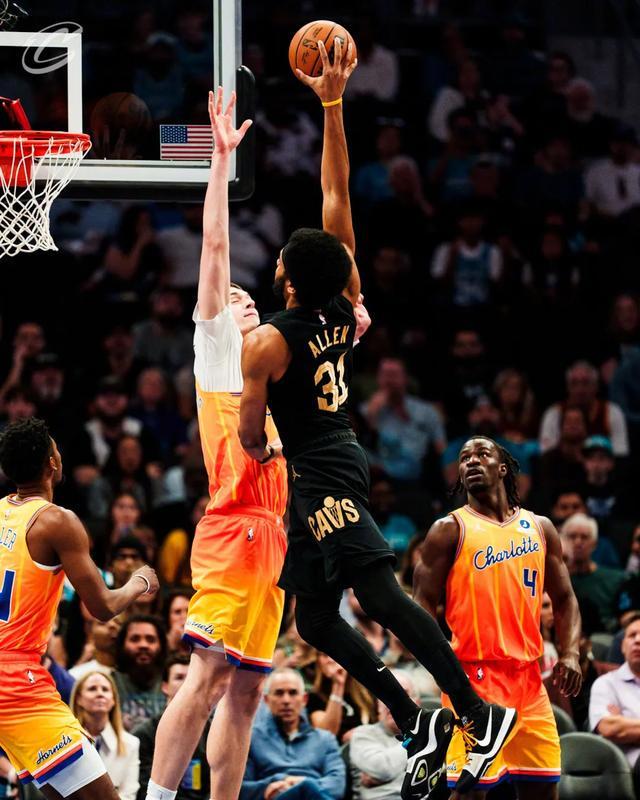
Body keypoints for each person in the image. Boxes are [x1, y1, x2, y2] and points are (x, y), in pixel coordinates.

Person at [239, 39, 515, 799]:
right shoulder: (343, 305)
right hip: (330, 457)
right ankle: (414, 718)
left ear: (286, 277)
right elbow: (338, 198)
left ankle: (474, 711)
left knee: (378, 596)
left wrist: (258, 445)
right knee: (315, 621)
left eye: (281, 260)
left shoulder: (267, 342)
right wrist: (332, 105)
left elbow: (251, 437)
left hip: (321, 465)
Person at [144, 88, 288, 800]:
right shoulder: (216, 347)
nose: (245, 298)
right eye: (235, 297)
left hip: (273, 538)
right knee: (204, 676)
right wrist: (220, 162)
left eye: (249, 296)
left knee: (246, 690)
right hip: (233, 530)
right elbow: (215, 248)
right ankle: (157, 795)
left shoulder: (266, 373)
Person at [414, 435, 582, 797]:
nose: (472, 461)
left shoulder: (540, 527)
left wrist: (570, 652)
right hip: (474, 680)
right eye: (464, 458)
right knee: (470, 791)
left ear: (503, 468)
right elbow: (420, 603)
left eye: (482, 454)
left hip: (529, 681)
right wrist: (441, 663)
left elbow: (565, 597)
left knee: (543, 790)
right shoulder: (449, 529)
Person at [0, 416, 158, 800]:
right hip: (16, 681)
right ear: (52, 463)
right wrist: (139, 581)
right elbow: (102, 607)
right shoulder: (57, 521)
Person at [240, 668, 346, 800]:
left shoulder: (325, 739)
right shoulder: (251, 738)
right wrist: (269, 785)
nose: (286, 700)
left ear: (304, 699)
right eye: (279, 693)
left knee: (307, 787)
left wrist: (302, 783)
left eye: (293, 693)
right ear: (266, 700)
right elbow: (240, 788)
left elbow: (337, 786)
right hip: (276, 797)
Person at [134, 655, 209, 800]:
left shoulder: (211, 730)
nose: (187, 683)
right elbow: (144, 789)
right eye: (179, 677)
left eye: (191, 678)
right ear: (165, 687)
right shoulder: (144, 735)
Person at [349, 670, 419, 800]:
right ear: (378, 705)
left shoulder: (435, 733)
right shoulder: (363, 734)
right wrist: (418, 738)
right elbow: (383, 770)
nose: (394, 703)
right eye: (385, 695)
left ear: (417, 703)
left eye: (403, 694)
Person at [71, 670, 140, 800]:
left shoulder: (131, 743)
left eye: (105, 689)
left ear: (113, 700)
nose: (100, 693)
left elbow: (129, 795)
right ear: (79, 699)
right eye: (92, 689)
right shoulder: (67, 742)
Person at [589, 614, 640, 769]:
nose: (638, 640)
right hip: (628, 770)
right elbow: (609, 728)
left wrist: (627, 725)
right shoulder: (606, 684)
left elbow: (621, 729)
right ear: (623, 646)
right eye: (632, 635)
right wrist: (620, 726)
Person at [561, 513, 626, 631]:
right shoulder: (554, 578)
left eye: (584, 537)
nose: (578, 542)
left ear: (595, 544)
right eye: (572, 536)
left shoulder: (615, 579)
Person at [113, 615, 167, 732]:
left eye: (150, 640)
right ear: (122, 645)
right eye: (135, 639)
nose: (143, 645)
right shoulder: (110, 683)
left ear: (161, 646)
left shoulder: (173, 680)